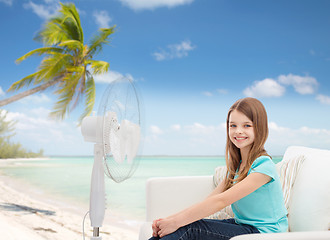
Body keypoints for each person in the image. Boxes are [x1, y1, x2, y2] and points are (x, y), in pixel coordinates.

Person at [149, 97, 288, 240]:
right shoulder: (237, 167)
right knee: (181, 227)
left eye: (247, 125)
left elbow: (221, 201)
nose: (238, 131)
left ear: (260, 128)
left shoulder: (263, 167)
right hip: (243, 226)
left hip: (265, 233)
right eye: (233, 125)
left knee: (189, 229)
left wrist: (175, 222)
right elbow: (209, 200)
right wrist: (167, 221)